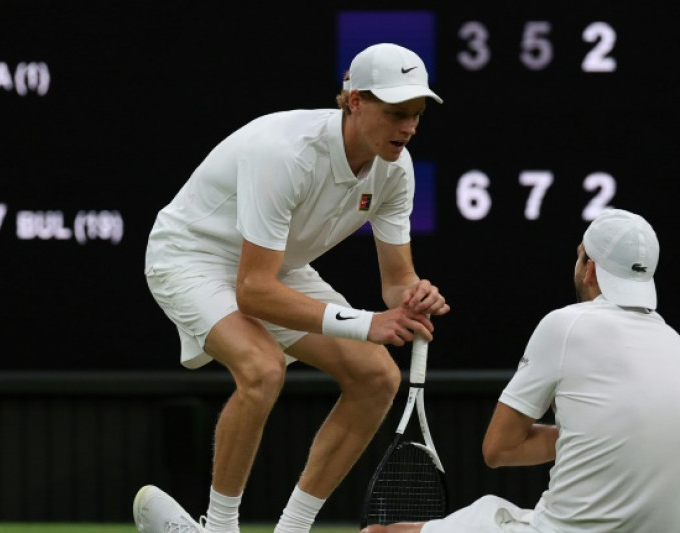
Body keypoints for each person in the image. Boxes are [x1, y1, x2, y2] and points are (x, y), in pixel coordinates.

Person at [134, 43, 450, 533]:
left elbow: (397, 283)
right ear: (354, 101)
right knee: (261, 370)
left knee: (378, 378)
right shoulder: (284, 153)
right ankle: (218, 529)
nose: (408, 127)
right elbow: (253, 292)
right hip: (190, 257)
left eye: (416, 115)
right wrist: (369, 324)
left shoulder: (396, 171)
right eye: (395, 113)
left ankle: (293, 529)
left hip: (272, 265)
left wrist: (415, 296)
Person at [361, 208, 680, 533]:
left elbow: (498, 449)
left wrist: (580, 436)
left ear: (589, 269)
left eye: (579, 255)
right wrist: (594, 435)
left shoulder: (566, 326)